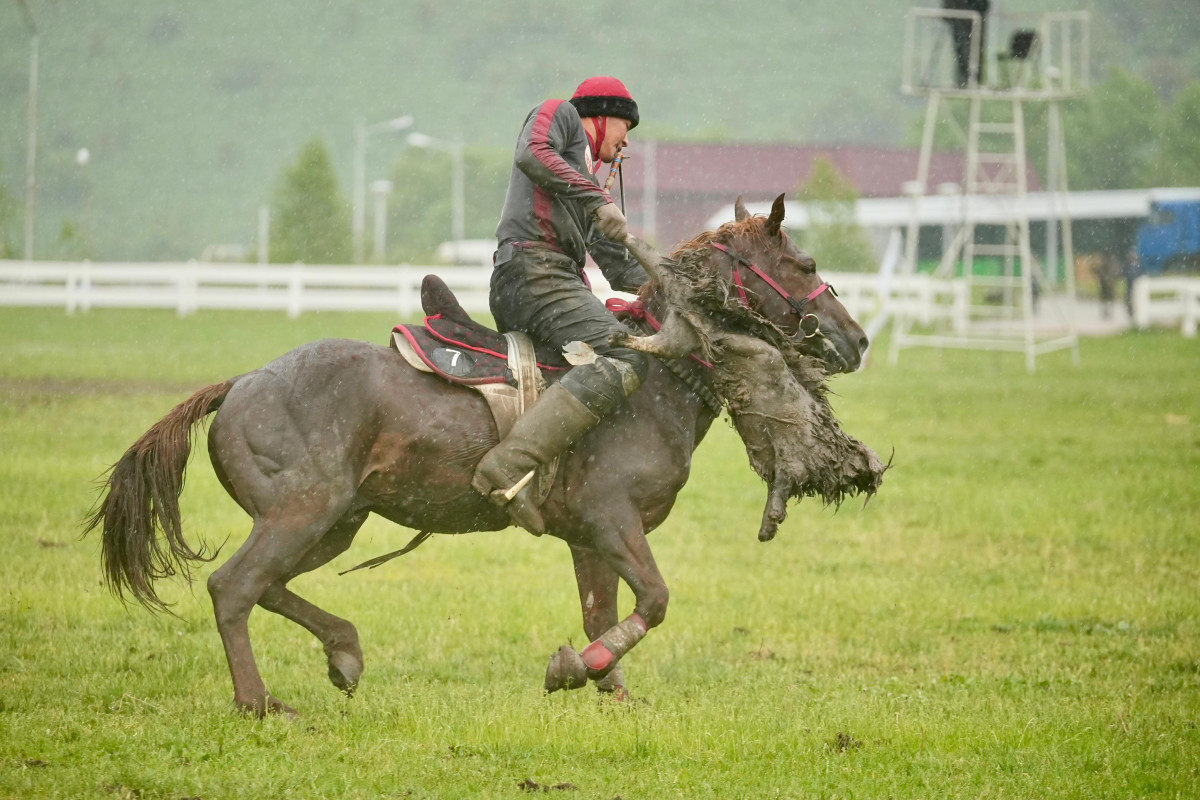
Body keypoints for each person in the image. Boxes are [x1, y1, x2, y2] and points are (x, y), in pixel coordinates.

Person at [471, 76, 652, 534]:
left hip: (535, 279)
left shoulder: (578, 183)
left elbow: (618, 263)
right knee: (626, 353)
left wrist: (669, 280)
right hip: (536, 275)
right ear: (601, 114)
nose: (627, 138)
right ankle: (510, 465)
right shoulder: (560, 112)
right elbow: (532, 152)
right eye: (625, 125)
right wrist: (596, 198)